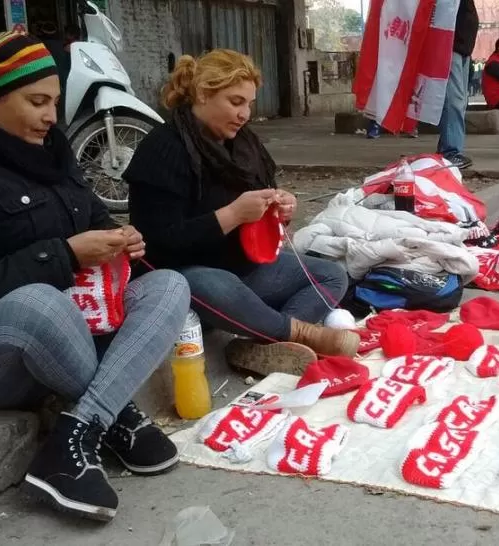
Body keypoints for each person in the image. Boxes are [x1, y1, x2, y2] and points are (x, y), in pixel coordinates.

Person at [0, 32, 190, 521]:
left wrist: (121, 243)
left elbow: (93, 219)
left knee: (169, 285)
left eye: (54, 101)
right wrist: (64, 256)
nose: (53, 116)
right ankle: (115, 415)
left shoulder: (50, 150)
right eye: (37, 102)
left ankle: (81, 430)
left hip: (74, 334)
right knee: (37, 301)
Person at [123, 49, 358, 378]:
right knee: (199, 281)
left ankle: (267, 345)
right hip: (190, 276)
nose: (244, 114)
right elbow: (157, 245)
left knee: (333, 275)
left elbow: (262, 207)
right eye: (235, 102)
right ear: (204, 95)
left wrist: (280, 207)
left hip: (243, 267)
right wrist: (232, 214)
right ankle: (302, 334)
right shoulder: (164, 148)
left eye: (248, 103)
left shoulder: (244, 144)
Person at [436, 0, 478, 169]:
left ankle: (447, 148)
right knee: (453, 100)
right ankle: (450, 152)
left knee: (460, 101)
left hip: (463, 46)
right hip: (449, 44)